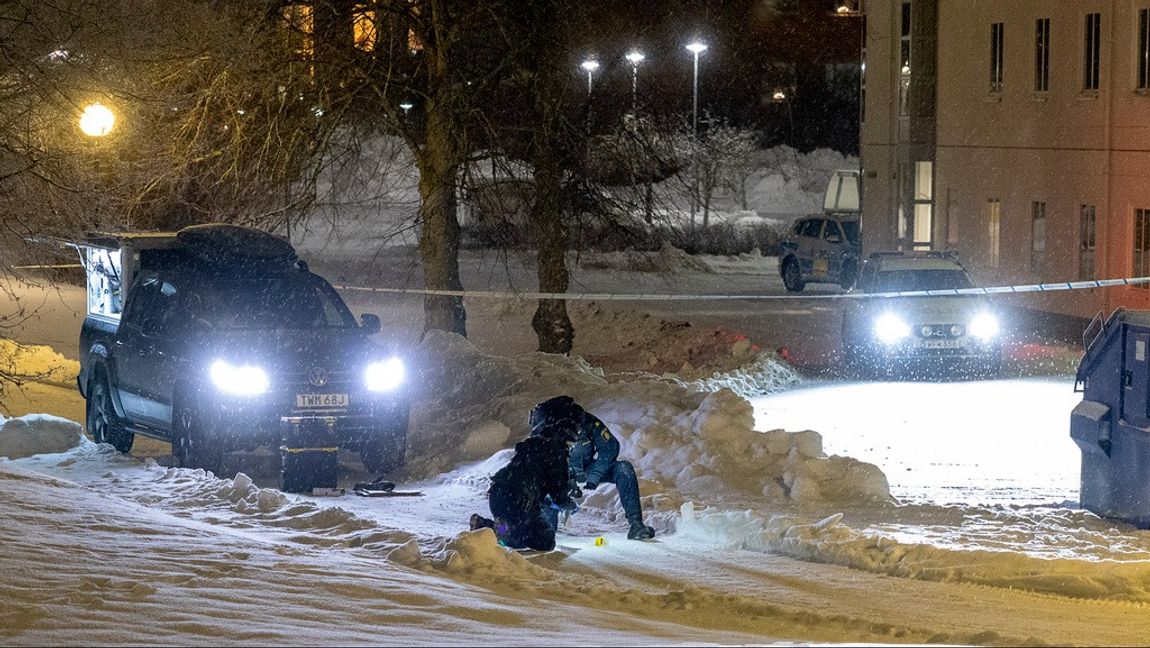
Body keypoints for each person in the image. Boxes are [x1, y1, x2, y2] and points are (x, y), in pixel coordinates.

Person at [539, 395, 655, 541]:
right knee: (546, 528)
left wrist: (594, 475)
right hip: (555, 474)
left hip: (587, 469)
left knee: (624, 469)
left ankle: (636, 525)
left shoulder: (587, 421)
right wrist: (564, 479)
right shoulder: (546, 426)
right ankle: (544, 530)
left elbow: (610, 446)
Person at [469, 400, 580, 551]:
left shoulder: (534, 443)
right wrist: (572, 506)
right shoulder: (557, 454)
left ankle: (492, 528)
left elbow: (535, 478)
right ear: (565, 438)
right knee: (544, 540)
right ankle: (493, 529)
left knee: (515, 533)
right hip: (518, 501)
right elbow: (559, 495)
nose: (570, 448)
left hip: (497, 494)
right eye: (571, 444)